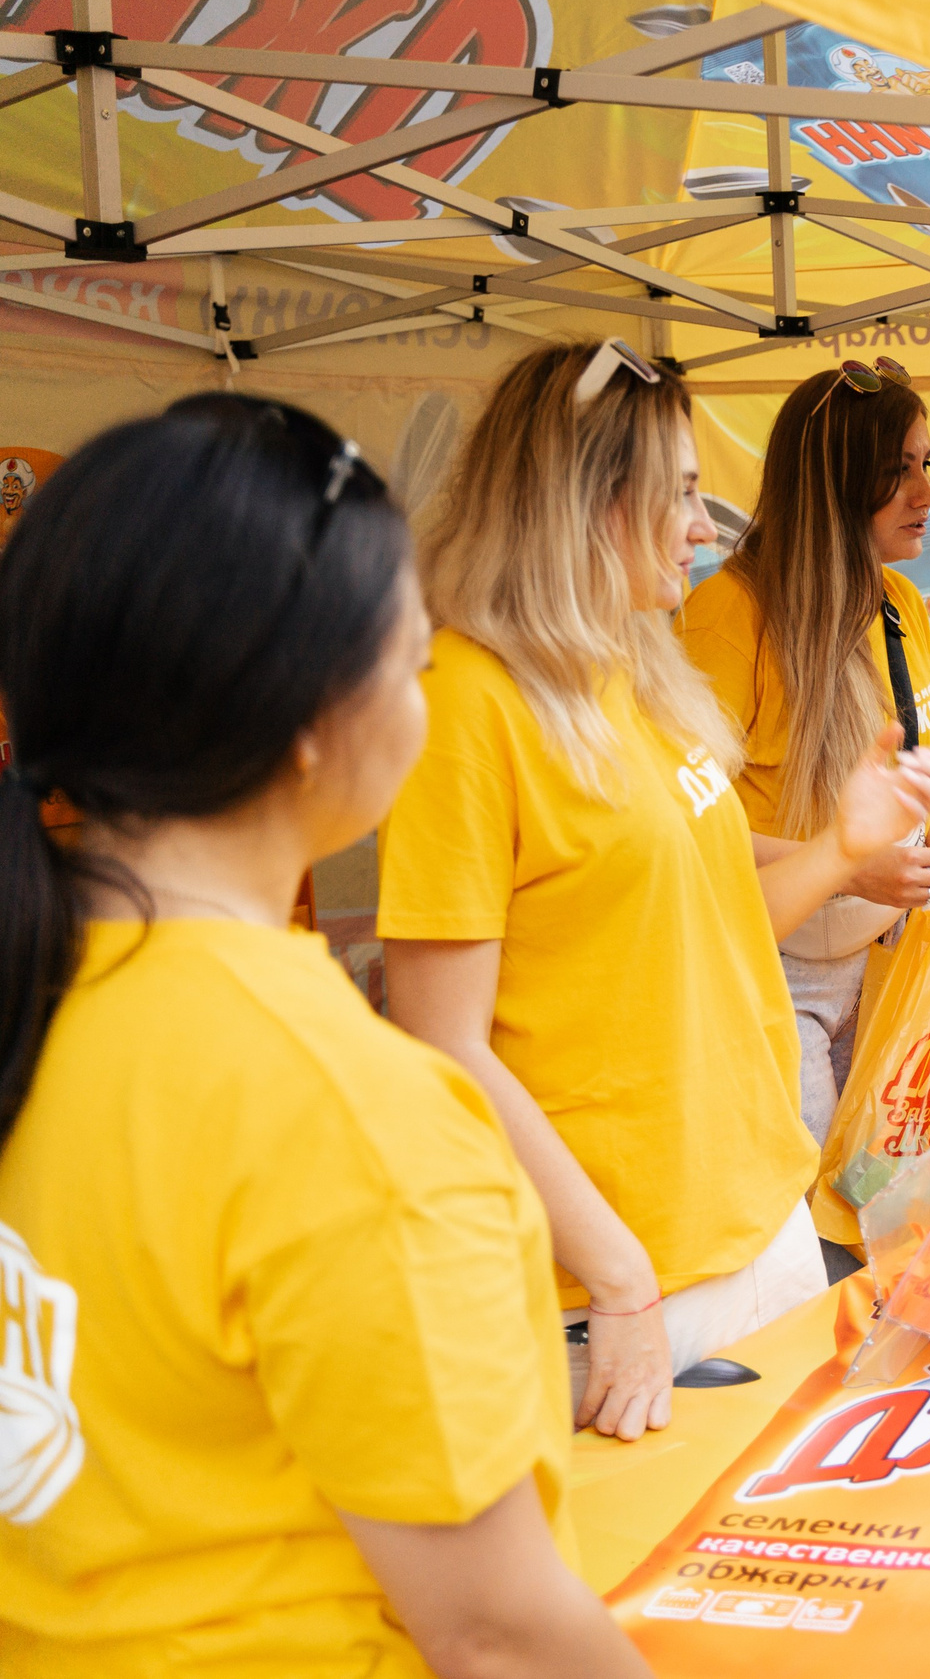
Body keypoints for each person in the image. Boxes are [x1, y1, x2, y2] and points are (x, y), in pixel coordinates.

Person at [0, 397, 649, 1673]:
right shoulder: (344, 1104)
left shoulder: (46, 984)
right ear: (311, 717)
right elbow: (497, 1631)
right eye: (414, 660)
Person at [378, 341, 930, 1441]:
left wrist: (842, 847)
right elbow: (440, 1045)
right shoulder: (466, 702)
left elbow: (719, 926)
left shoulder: (635, 675)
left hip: (754, 1228)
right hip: (623, 1282)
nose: (705, 525)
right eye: (683, 493)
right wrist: (620, 1278)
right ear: (595, 501)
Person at [681, 357, 930, 1145]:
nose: (927, 495)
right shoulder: (726, 616)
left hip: (886, 963)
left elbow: (918, 763)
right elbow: (682, 838)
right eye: (897, 470)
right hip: (772, 968)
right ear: (832, 482)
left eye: (925, 465)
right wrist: (846, 861)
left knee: (881, 1191)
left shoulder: (900, 602)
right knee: (808, 1209)